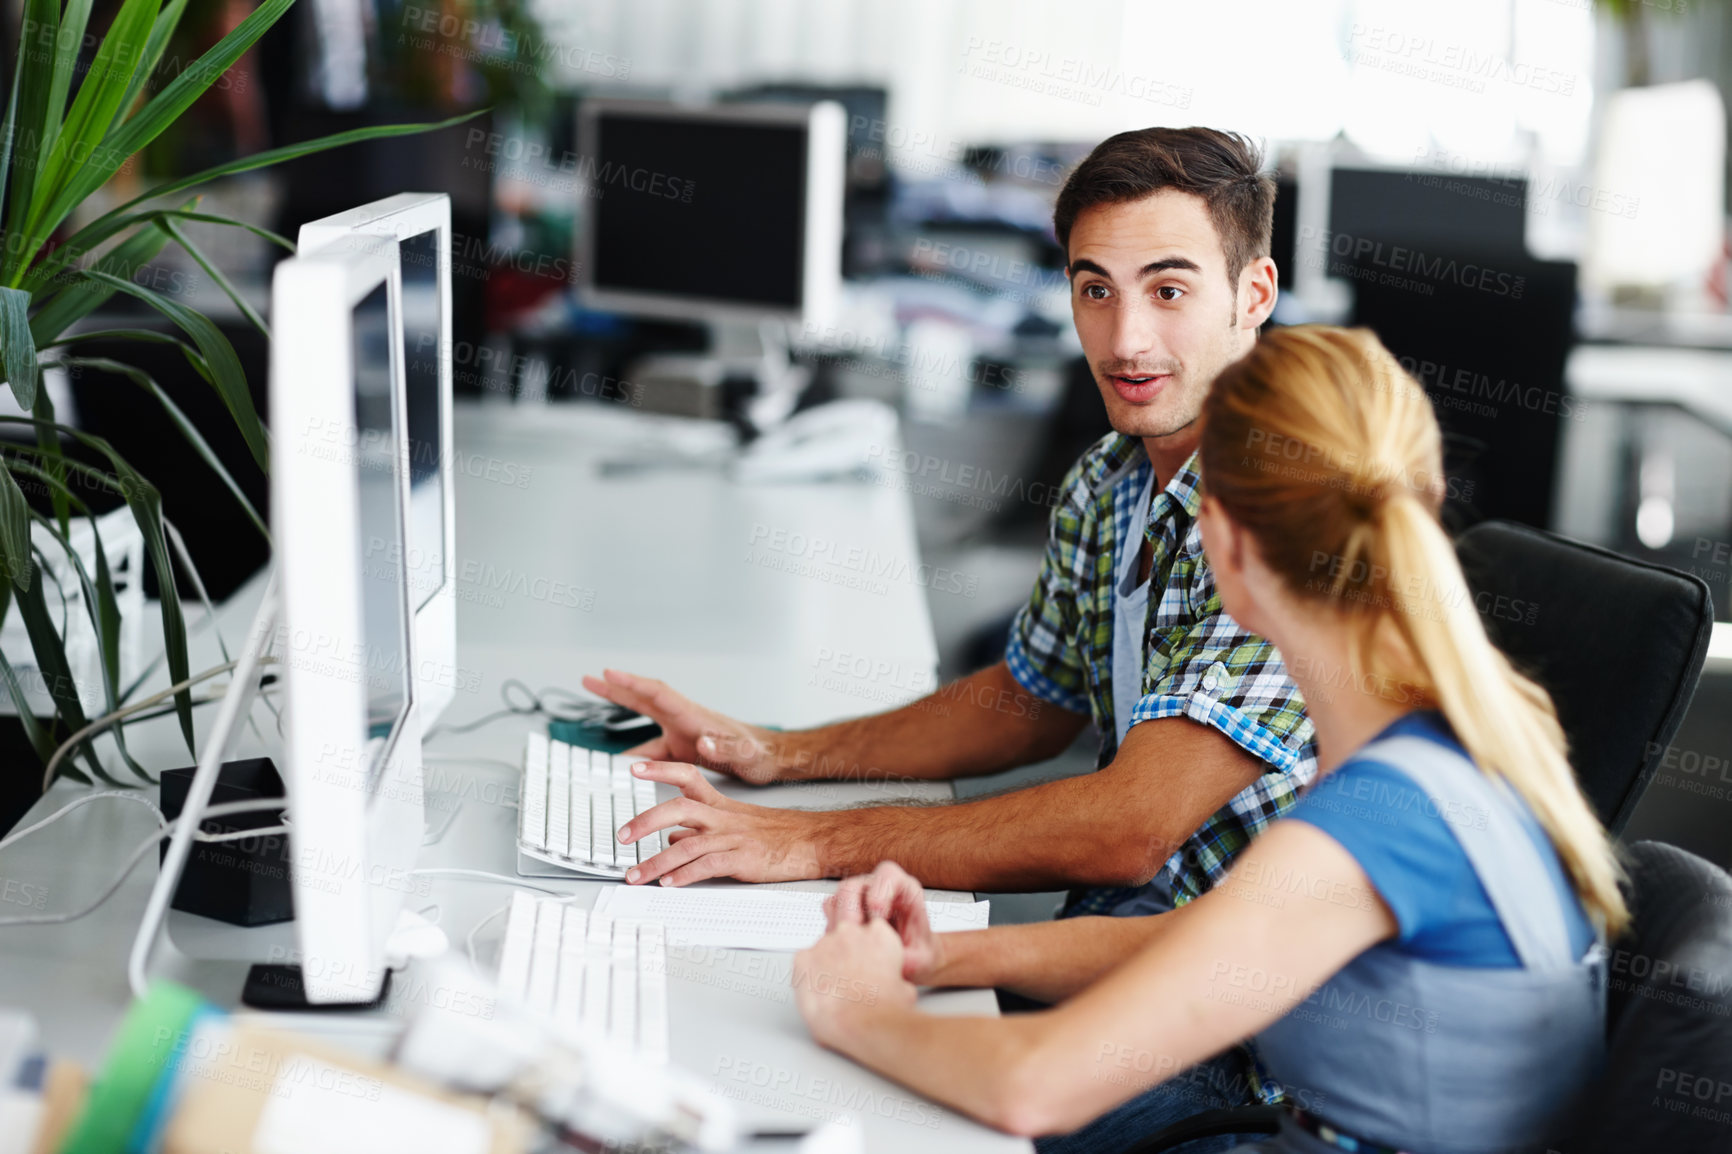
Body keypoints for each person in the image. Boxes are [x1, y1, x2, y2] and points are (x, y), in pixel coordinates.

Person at [589, 123, 1307, 1146]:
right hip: (1113, 957)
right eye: (1093, 287)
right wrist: (775, 753)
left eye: (1169, 288)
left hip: (1239, 1051)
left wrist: (812, 841)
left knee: (801, 1087)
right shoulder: (1111, 478)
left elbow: (1128, 824)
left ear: (1253, 295)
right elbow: (1027, 698)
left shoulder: (1287, 504)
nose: (1125, 339)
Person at [791, 325, 1627, 1154]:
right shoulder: (1457, 748)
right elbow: (1215, 945)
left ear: (1220, 540)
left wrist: (852, 1011)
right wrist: (935, 956)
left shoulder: (1368, 826)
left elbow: (1030, 1085)